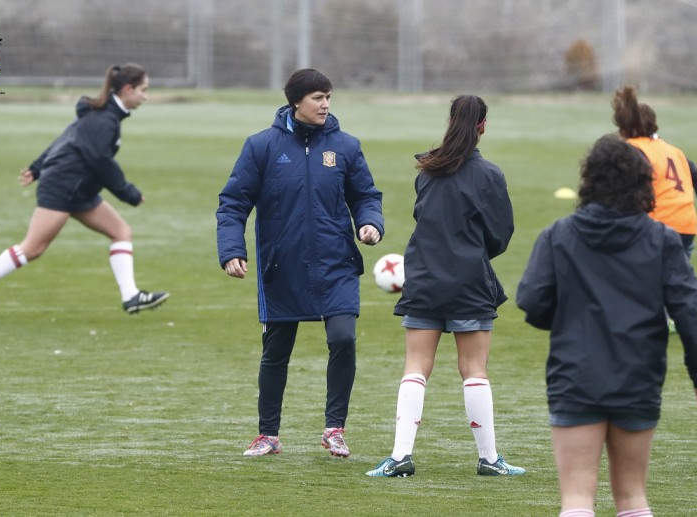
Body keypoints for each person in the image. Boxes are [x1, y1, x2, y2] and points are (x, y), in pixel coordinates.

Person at [516, 135, 697, 517]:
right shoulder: (662, 240)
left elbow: (532, 302)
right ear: (643, 183)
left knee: (576, 498)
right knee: (632, 497)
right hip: (637, 376)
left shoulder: (559, 235)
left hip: (575, 374)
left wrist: (565, 320)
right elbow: (689, 313)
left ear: (588, 180)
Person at [216, 69, 384, 458]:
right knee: (276, 351)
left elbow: (365, 195)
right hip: (282, 265)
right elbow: (234, 202)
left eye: (328, 97)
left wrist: (371, 223)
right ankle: (268, 435)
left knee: (343, 338)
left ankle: (335, 429)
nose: (325, 104)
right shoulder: (261, 146)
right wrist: (231, 249)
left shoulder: (346, 146)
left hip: (336, 262)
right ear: (296, 102)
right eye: (317, 98)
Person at [366, 95, 524, 478]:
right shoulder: (490, 175)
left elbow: (424, 219)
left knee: (415, 367)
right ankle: (489, 460)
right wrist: (471, 254)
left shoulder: (427, 170)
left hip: (423, 277)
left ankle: (400, 457)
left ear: (450, 121)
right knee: (474, 369)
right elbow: (501, 235)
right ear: (482, 126)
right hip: (469, 281)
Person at [0, 63, 168, 320]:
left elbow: (67, 138)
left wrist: (37, 167)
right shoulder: (104, 120)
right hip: (62, 187)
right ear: (127, 89)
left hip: (80, 190)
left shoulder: (103, 115)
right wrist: (129, 193)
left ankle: (130, 297)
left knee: (121, 232)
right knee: (33, 248)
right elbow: (100, 161)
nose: (145, 96)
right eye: (143, 90)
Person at [612, 85, 697, 259]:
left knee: (641, 279)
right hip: (685, 227)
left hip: (656, 227)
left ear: (624, 127)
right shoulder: (674, 152)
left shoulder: (632, 150)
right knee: (676, 279)